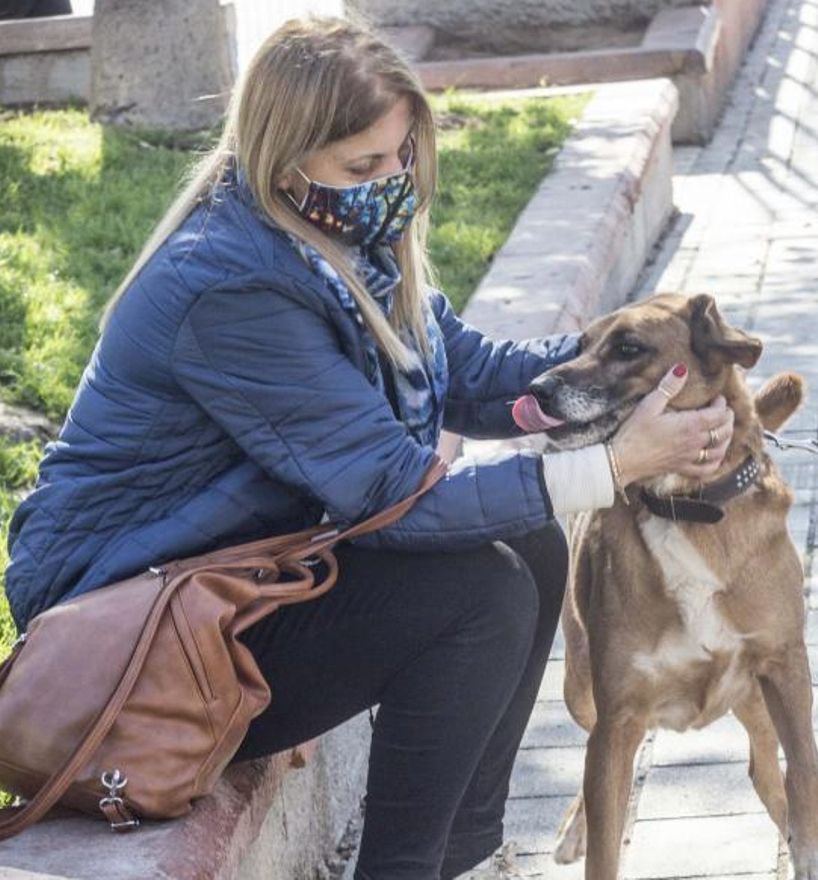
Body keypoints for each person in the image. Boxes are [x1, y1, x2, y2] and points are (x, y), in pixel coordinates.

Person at [2, 17, 733, 880]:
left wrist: (627, 371)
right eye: (364, 167)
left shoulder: (339, 241)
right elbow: (397, 501)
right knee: (479, 594)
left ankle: (459, 858)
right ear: (283, 161)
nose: (393, 187)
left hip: (231, 578)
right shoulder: (231, 289)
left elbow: (467, 371)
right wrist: (612, 466)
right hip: (130, 628)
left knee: (527, 547)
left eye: (401, 158)